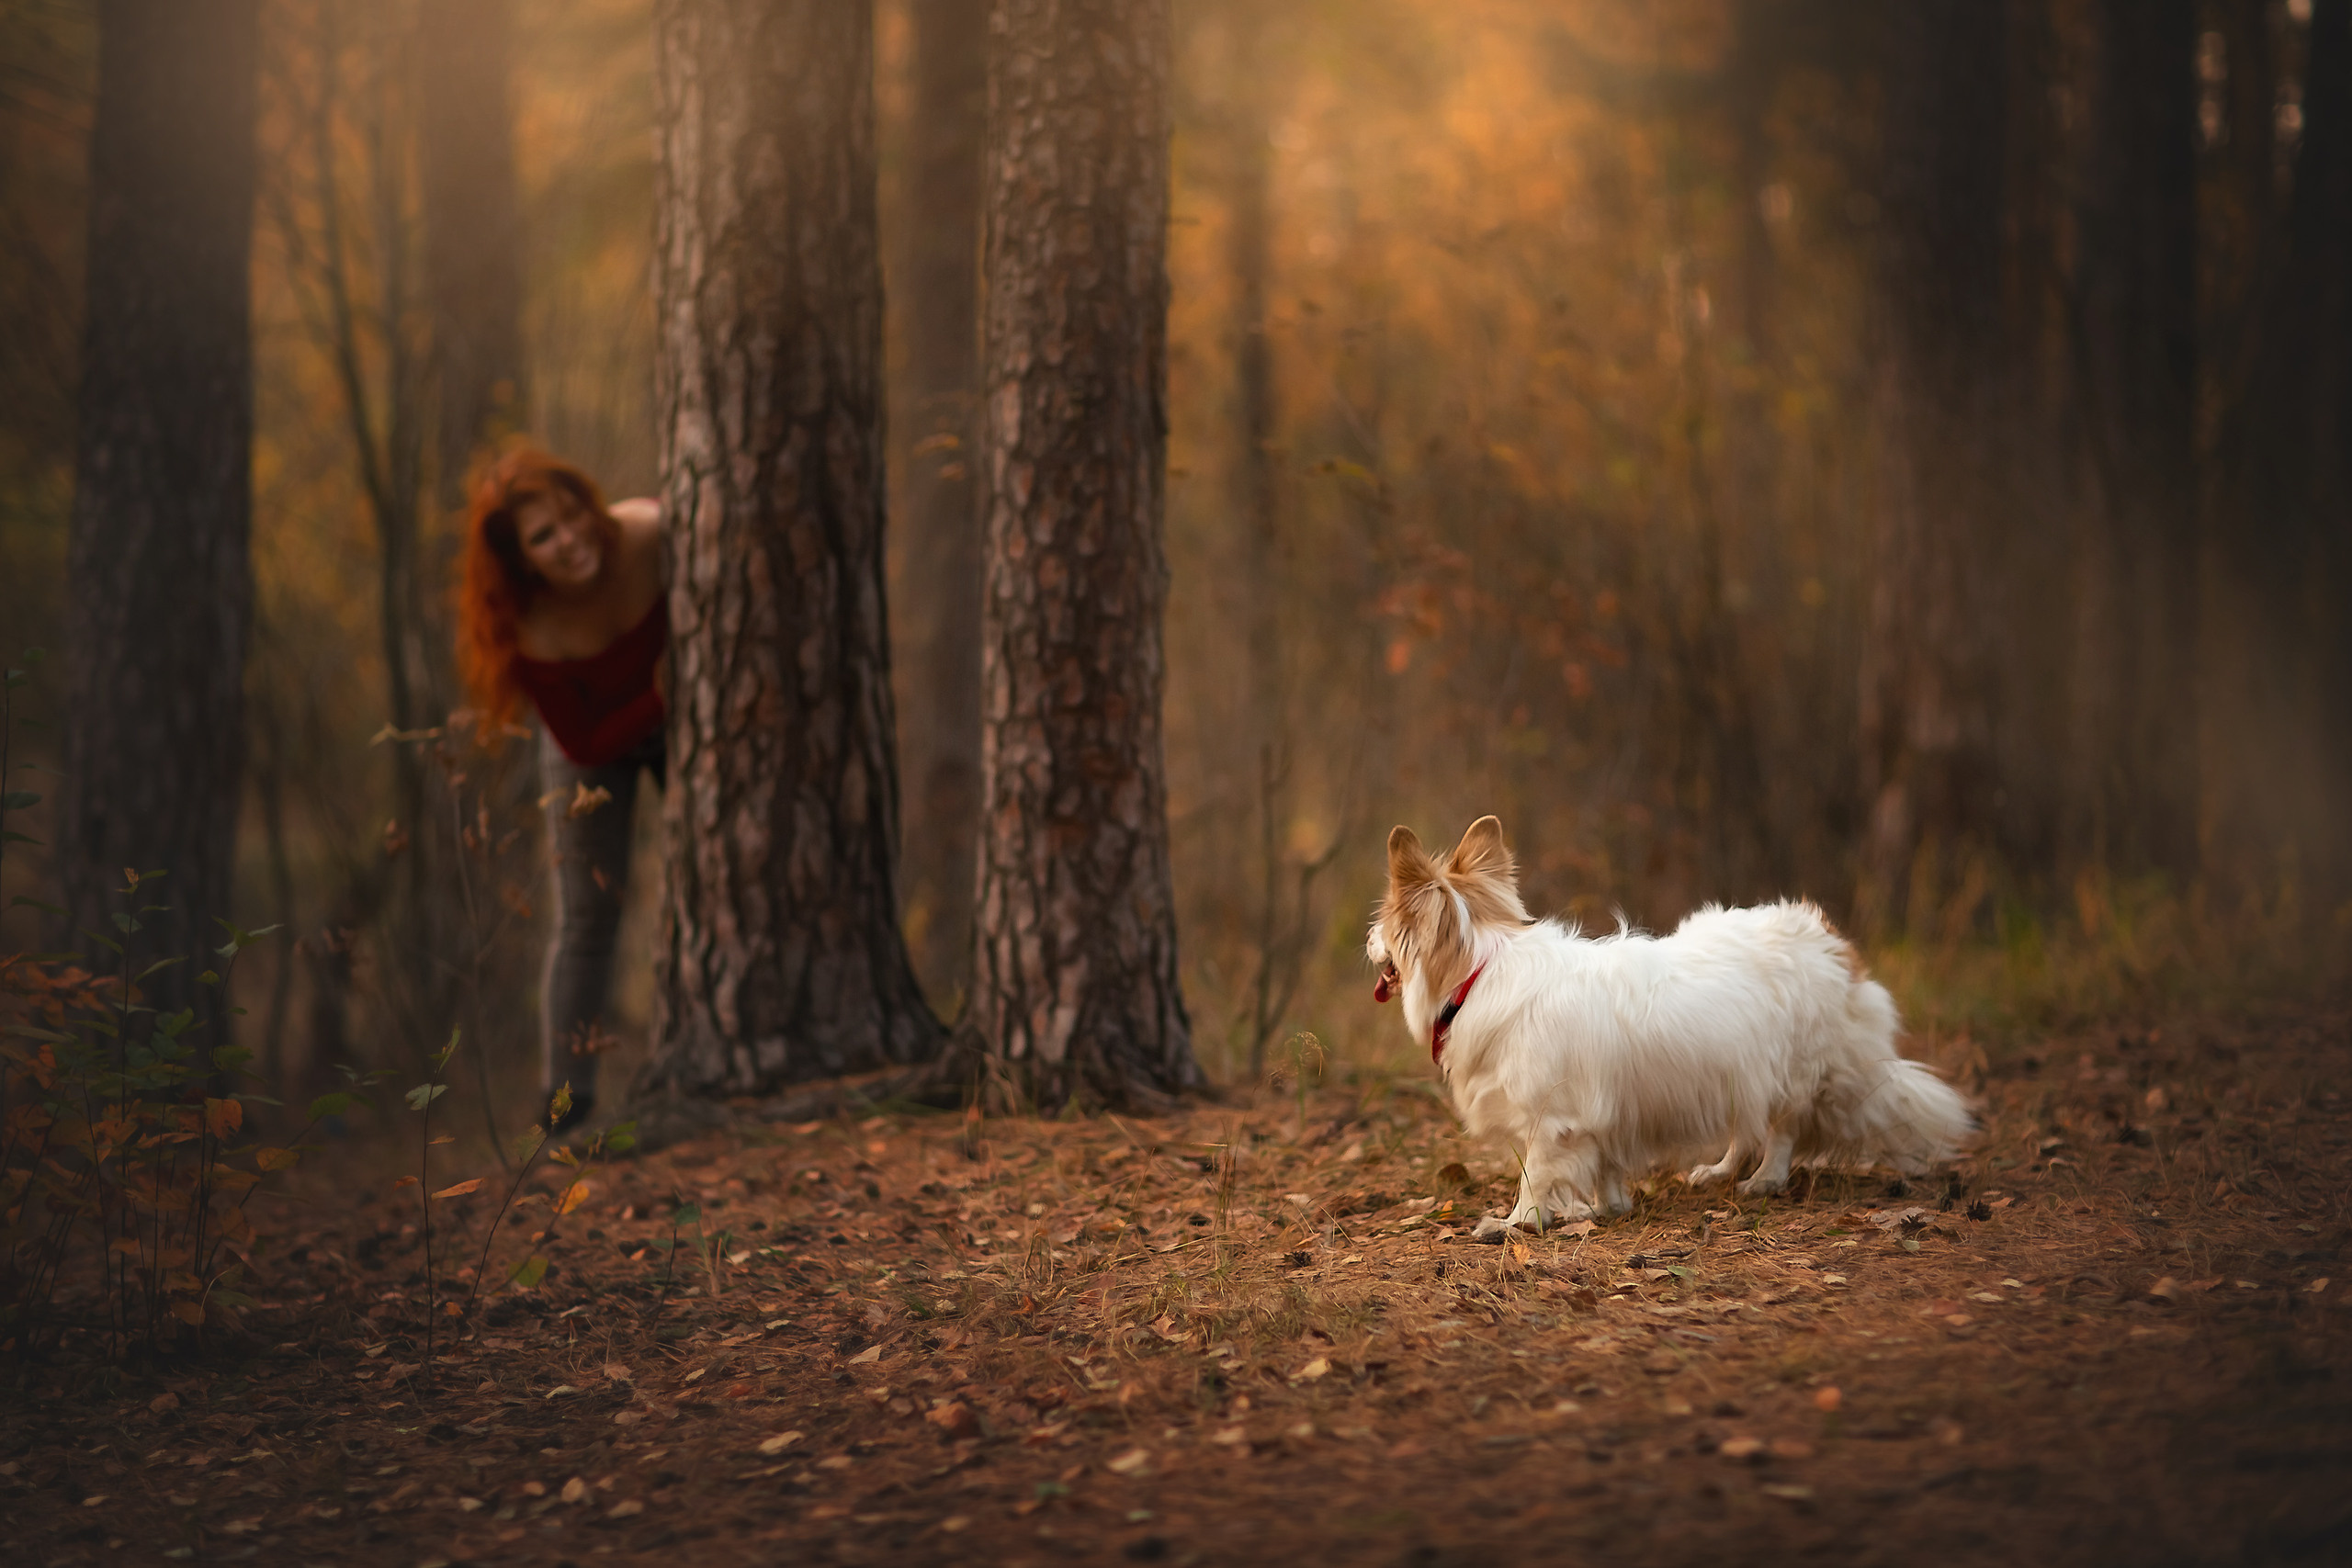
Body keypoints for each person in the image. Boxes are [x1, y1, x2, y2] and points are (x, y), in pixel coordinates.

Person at [457, 446, 666, 1132]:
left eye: (572, 516)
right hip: (592, 741)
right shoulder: (530, 625)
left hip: (683, 723)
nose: (571, 540)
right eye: (544, 536)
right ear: (523, 561)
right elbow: (583, 743)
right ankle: (566, 1104)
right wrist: (659, 696)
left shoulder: (651, 533)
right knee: (586, 918)